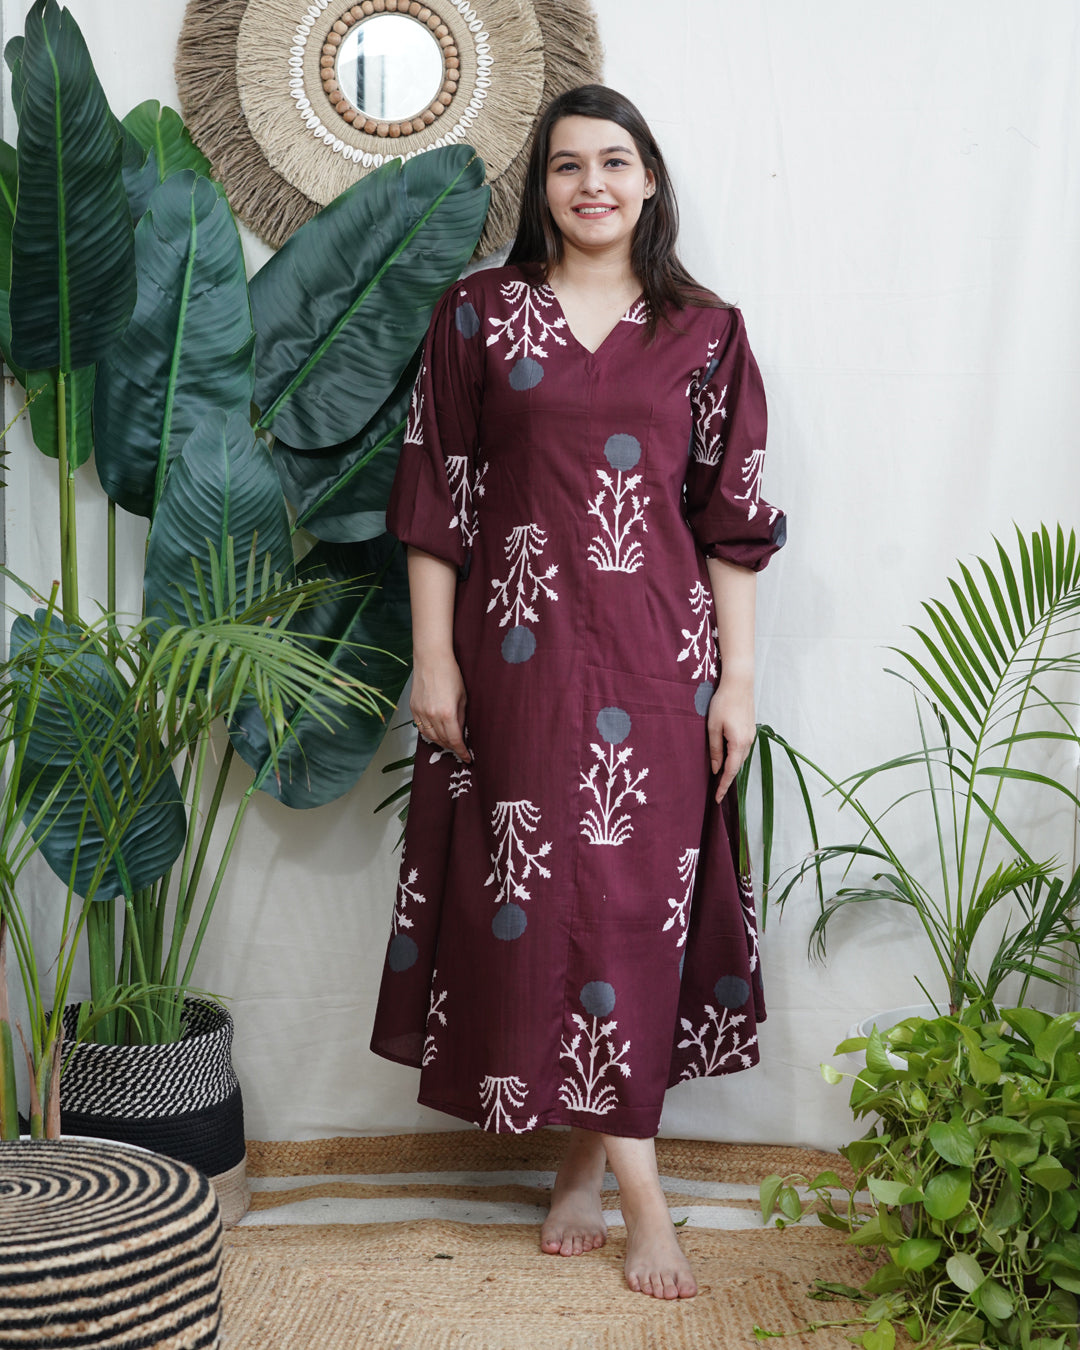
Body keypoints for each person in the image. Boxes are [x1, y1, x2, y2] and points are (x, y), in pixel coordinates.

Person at [371, 84, 786, 1301]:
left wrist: (738, 681)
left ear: (649, 180)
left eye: (614, 162)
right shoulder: (477, 315)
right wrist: (433, 657)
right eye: (566, 165)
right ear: (541, 187)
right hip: (517, 658)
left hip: (661, 662)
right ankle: (635, 1192)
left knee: (631, 913)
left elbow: (733, 522)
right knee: (549, 902)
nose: (591, 184)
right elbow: (436, 493)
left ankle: (588, 1170)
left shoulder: (707, 331)